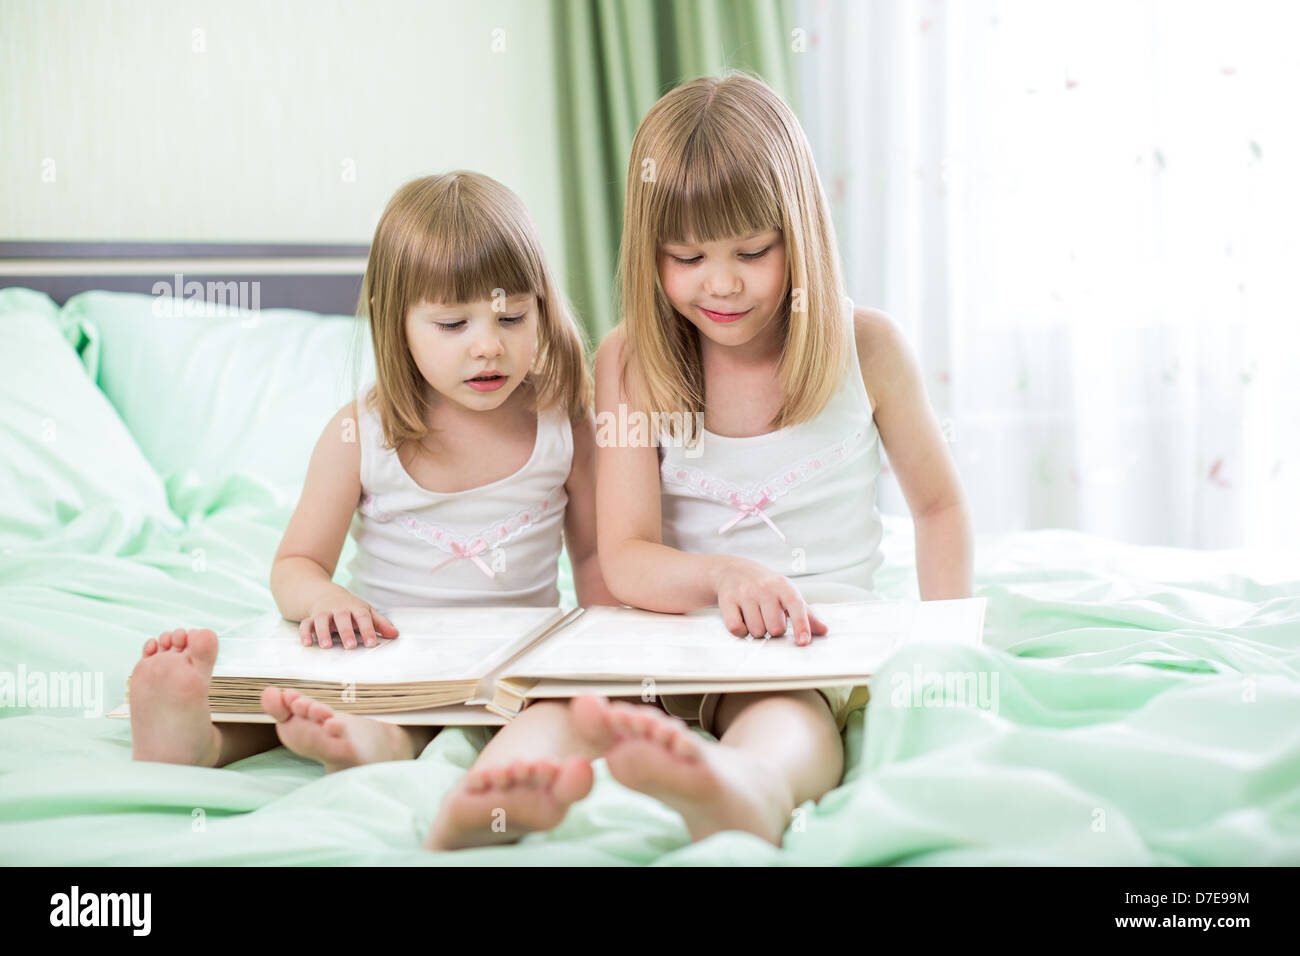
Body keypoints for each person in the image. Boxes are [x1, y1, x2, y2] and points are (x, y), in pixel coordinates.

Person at [571, 70, 974, 846]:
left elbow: (939, 506)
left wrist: (945, 645)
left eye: (751, 251)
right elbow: (624, 554)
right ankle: (503, 794)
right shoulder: (628, 361)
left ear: (801, 233)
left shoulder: (870, 349)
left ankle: (749, 789)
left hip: (807, 643)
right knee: (559, 710)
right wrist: (723, 577)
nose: (720, 284)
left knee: (784, 716)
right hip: (677, 638)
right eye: (684, 256)